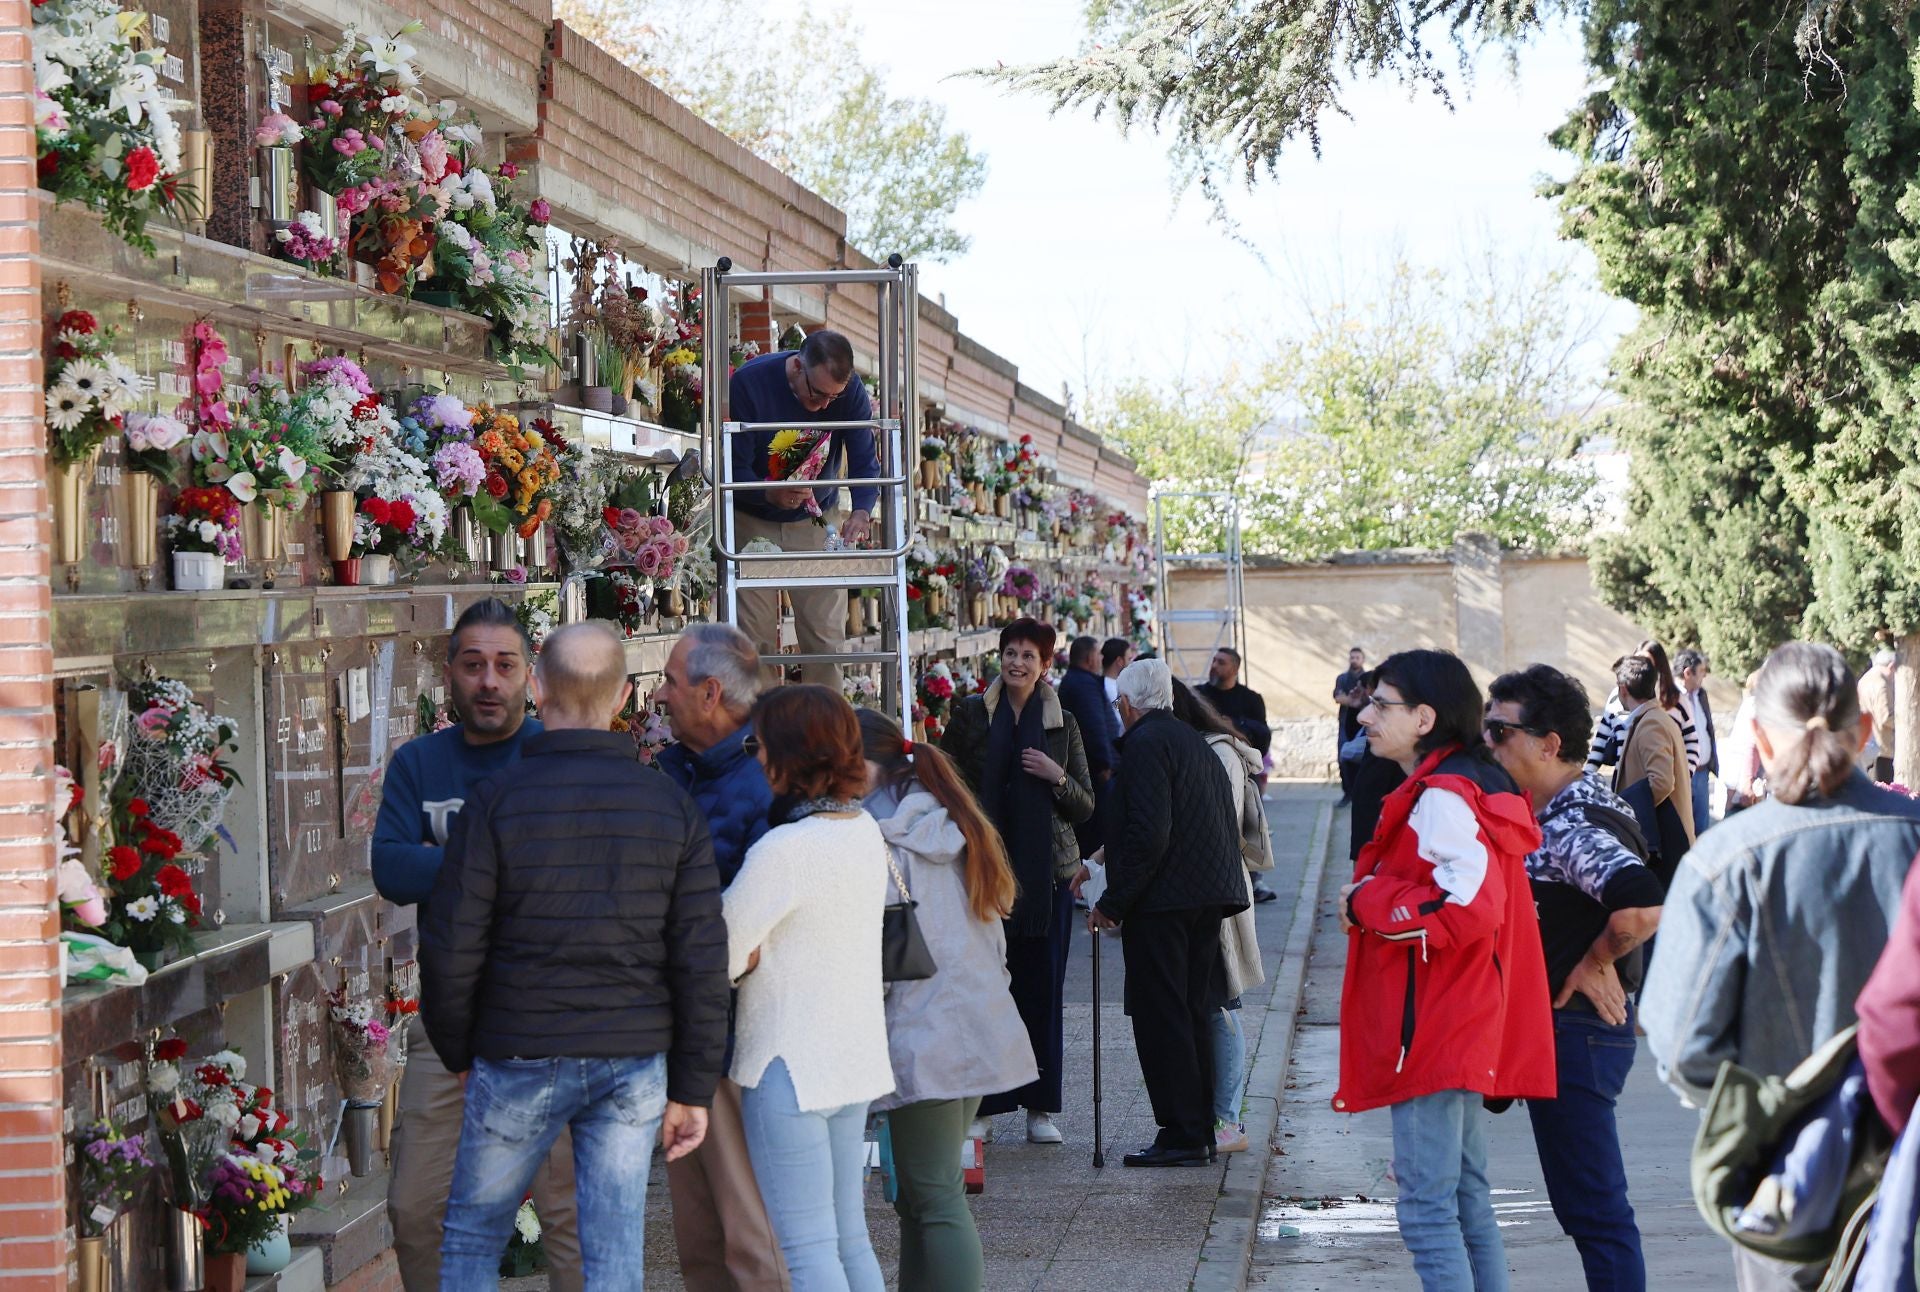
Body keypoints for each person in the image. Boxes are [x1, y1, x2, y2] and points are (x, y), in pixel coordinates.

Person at [420, 622, 730, 1290]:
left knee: (474, 1235)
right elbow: (701, 957)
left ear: (534, 687)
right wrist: (692, 1087)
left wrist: (460, 1050)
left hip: (518, 1047)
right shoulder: (671, 807)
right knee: (613, 1250)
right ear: (623, 698)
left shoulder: (495, 803)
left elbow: (451, 945)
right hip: (632, 1056)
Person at [1641, 641, 1920, 1292]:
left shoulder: (1724, 862)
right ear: (1868, 732)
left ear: (1760, 740)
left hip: (1792, 1189)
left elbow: (1683, 1048)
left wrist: (1770, 1109)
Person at [371, 598, 584, 1292]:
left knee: (572, 1218)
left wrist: (459, 862)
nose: (488, 681)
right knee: (415, 1208)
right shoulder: (419, 764)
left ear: (533, 677)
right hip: (449, 1024)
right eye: (472, 665)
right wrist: (496, 858)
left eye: (504, 665)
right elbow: (392, 869)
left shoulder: (560, 760)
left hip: (550, 1023)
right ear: (449, 675)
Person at [1334, 648, 1554, 1292]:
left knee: (1429, 1211)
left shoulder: (1444, 796)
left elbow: (1470, 907)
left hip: (1434, 1024)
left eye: (1381, 703)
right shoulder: (1465, 783)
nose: (1366, 714)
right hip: (1455, 1016)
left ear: (1425, 717)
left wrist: (1367, 900)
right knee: (1463, 1202)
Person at [1485, 664, 1665, 1292]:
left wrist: (1594, 961)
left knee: (1595, 1211)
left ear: (1549, 741)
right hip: (1566, 1033)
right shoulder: (1552, 807)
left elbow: (1641, 906)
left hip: (1578, 1035)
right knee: (1585, 1208)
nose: (1489, 743)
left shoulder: (1571, 819)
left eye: (1499, 730)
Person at [855, 708, 1036, 1292]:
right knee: (921, 1197)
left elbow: (875, 957)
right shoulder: (952, 822)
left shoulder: (885, 839)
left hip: (924, 1031)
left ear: (866, 766)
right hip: (971, 1023)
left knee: (933, 1198)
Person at [723, 686, 893, 1292]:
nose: (756, 757)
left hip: (787, 1064)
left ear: (786, 755)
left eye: (758, 744)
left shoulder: (784, 849)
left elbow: (720, 950)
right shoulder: (863, 831)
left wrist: (745, 953)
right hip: (851, 1059)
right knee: (849, 1239)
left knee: (807, 1251)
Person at [653, 624, 790, 1292]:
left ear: (710, 693)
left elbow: (755, 929)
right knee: (700, 1235)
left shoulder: (762, 784)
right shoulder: (677, 767)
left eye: (671, 681)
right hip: (686, 1032)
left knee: (748, 1235)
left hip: (736, 1038)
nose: (659, 693)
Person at [1087, 659, 1251, 1166]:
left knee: (1164, 1017)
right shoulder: (1189, 740)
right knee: (1190, 1011)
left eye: (1119, 705)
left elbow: (1149, 833)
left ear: (1128, 705)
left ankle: (1181, 1134)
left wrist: (1113, 903)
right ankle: (1197, 1130)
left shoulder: (1145, 745)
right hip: (1203, 897)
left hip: (1166, 903)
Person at [941, 618, 1095, 1145]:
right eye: (1010, 652)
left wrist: (1054, 776)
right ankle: (983, 1105)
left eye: (1030, 655)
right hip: (984, 870)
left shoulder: (1062, 723)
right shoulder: (970, 715)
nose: (1017, 663)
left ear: (1046, 665)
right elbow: (944, 782)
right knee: (983, 989)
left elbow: (1085, 803)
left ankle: (1039, 1107)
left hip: (1045, 875)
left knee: (1041, 989)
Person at [728, 330, 882, 687]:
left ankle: (824, 732)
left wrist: (861, 509)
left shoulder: (848, 392)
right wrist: (769, 494)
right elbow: (733, 466)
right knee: (755, 640)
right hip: (754, 518)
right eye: (817, 394)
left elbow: (863, 455)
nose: (825, 406)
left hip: (818, 518)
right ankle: (763, 730)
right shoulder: (750, 382)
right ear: (798, 366)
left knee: (826, 635)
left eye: (834, 398)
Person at [1168, 679, 1269, 1156]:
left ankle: (1228, 1120)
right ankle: (1219, 1114)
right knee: (1208, 1004)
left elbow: (1216, 824)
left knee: (1221, 1004)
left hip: (1219, 895)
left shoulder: (1219, 754)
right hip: (1201, 892)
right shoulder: (1196, 748)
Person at [1199, 647, 1277, 901]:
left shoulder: (1251, 699)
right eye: (1213, 661)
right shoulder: (1199, 695)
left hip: (1242, 773)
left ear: (1234, 667)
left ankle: (1253, 881)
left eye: (1221, 662)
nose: (1214, 666)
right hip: (1206, 772)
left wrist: (1236, 726)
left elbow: (1262, 736)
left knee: (1248, 828)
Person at [1611, 655, 1696, 876]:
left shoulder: (1652, 722)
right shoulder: (1653, 718)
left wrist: (1627, 813)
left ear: (1623, 689)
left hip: (1665, 838)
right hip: (1665, 835)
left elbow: (1661, 782)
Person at [1587, 641, 1704, 776]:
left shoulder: (1675, 699)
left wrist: (1683, 776)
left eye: (1647, 661)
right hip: (1623, 786)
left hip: (1664, 787)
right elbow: (1601, 741)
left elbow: (1692, 742)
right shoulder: (1618, 695)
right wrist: (1586, 777)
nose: (1640, 666)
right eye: (1636, 660)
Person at [1057, 634, 1121, 857]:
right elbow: (1093, 725)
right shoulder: (1083, 685)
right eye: (1099, 653)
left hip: (1094, 770)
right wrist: (1104, 764)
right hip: (1096, 773)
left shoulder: (1082, 681)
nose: (1102, 657)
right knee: (1097, 832)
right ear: (1089, 657)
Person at [1675, 648, 1718, 830]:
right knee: (1681, 831)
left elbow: (1707, 729)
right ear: (1687, 673)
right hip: (1680, 776)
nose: (1704, 676)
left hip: (1702, 774)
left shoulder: (1701, 695)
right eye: (1701, 672)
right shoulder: (1668, 698)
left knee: (1702, 830)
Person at [1334, 646, 1368, 806]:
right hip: (1345, 723)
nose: (1354, 660)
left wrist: (1353, 700)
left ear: (1363, 659)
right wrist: (1356, 701)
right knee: (1343, 758)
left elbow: (1367, 699)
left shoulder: (1367, 678)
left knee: (1364, 761)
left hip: (1363, 724)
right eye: (1352, 657)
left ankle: (1360, 794)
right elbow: (1339, 697)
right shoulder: (1343, 678)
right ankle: (1347, 793)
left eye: (1357, 657)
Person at [1858, 646, 1896, 782]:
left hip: (1869, 745)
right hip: (1883, 748)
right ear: (1892, 666)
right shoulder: (1881, 683)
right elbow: (1886, 716)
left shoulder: (1865, 678)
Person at [1101, 636, 1134, 735]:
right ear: (1119, 661)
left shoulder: (1111, 685)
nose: (1131, 663)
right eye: (1129, 659)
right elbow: (1119, 723)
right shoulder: (1110, 689)